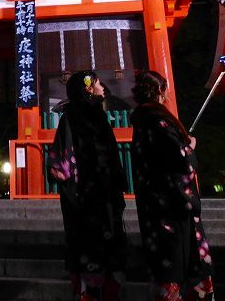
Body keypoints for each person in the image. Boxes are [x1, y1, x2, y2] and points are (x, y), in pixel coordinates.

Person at [130, 71, 214, 301]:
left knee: (165, 261)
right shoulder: (158, 120)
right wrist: (189, 147)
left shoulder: (142, 121)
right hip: (173, 205)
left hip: (154, 204)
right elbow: (179, 159)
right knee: (180, 257)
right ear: (160, 91)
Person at [48, 71, 128, 301]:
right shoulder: (72, 118)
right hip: (86, 197)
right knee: (91, 245)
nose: (103, 86)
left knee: (104, 245)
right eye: (98, 83)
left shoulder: (97, 116)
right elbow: (62, 162)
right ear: (88, 89)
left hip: (103, 195)